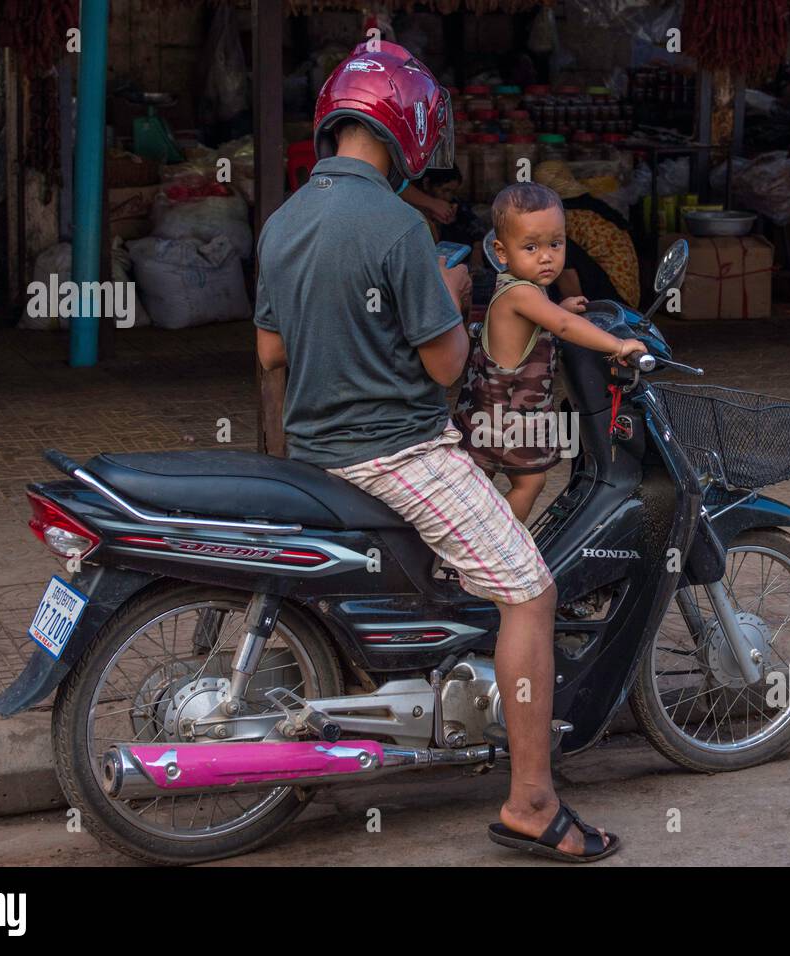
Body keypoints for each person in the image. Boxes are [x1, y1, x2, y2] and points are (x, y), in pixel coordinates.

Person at [252, 41, 620, 861]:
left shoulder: (282, 221)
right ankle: (532, 800)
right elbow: (450, 365)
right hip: (398, 454)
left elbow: (271, 359)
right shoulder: (396, 224)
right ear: (410, 128)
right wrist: (451, 296)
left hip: (315, 456)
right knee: (529, 593)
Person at [453, 182, 646, 523]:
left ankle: (466, 552)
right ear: (501, 252)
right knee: (529, 482)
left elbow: (546, 319)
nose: (546, 256)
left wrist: (560, 307)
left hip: (484, 410)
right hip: (507, 417)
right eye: (530, 247)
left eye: (555, 244)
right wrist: (618, 345)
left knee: (476, 484)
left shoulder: (520, 289)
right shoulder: (523, 295)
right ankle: (500, 546)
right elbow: (563, 327)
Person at [532, 160, 641, 308]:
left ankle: (574, 308)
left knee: (557, 247)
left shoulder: (570, 214)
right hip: (626, 295)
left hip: (615, 298)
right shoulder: (593, 206)